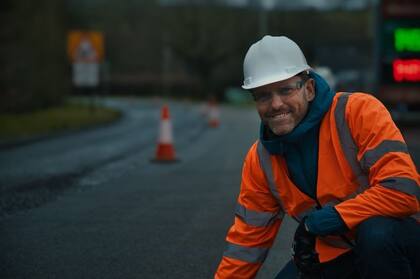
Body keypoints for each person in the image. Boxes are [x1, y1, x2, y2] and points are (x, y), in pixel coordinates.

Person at [214, 35, 420, 279]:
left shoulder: (358, 112)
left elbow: (403, 191)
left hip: (399, 246)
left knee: (376, 235)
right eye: (263, 95)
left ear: (309, 89)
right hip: (335, 255)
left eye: (285, 90)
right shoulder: (260, 159)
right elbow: (245, 245)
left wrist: (331, 218)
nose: (276, 104)